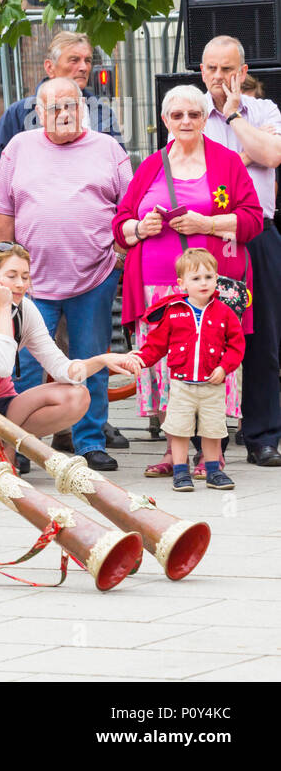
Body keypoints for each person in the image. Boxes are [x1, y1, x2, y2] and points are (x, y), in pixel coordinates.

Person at [113, 84, 263, 478]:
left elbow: (252, 219)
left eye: (193, 115)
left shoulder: (227, 162)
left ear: (204, 119)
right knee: (167, 368)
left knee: (212, 363)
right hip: (156, 288)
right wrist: (138, 226)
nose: (185, 121)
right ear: (164, 121)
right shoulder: (150, 165)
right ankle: (173, 451)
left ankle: (212, 453)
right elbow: (120, 223)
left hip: (210, 286)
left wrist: (207, 223)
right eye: (176, 115)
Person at [0, 76, 133, 471]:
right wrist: (4, 269)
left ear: (83, 109)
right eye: (54, 108)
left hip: (95, 275)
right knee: (28, 365)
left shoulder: (109, 149)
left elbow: (130, 208)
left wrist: (118, 255)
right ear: (39, 113)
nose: (64, 113)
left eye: (71, 105)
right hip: (30, 283)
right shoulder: (18, 147)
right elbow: (4, 213)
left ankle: (89, 442)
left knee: (92, 359)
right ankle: (23, 443)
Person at [0, 243, 140, 488]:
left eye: (25, 276)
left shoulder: (25, 311)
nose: (21, 284)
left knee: (78, 395)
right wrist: (2, 307)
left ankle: (4, 447)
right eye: (11, 276)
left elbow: (61, 368)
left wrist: (102, 360)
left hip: (2, 404)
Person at [198, 35, 281, 468]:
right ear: (201, 70)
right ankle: (208, 435)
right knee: (205, 336)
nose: (218, 77)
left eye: (227, 69)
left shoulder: (264, 111)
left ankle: (263, 435)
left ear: (242, 72)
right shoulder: (190, 111)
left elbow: (273, 152)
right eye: (211, 68)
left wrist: (233, 118)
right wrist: (246, 155)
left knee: (264, 338)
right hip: (208, 237)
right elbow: (198, 171)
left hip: (258, 235)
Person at [130, 248, 244, 492]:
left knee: (212, 431)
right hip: (181, 385)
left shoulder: (225, 313)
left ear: (217, 279)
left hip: (212, 385)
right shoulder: (174, 312)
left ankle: (214, 471)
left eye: (208, 277)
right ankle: (181, 473)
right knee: (179, 430)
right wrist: (140, 360)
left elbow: (236, 345)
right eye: (196, 278)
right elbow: (156, 345)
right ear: (182, 284)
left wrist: (225, 368)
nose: (203, 283)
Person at [0, 30, 122, 203]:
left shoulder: (102, 113)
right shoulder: (20, 113)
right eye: (74, 60)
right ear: (49, 67)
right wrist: (15, 217)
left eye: (88, 60)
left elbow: (120, 171)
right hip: (36, 226)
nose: (84, 67)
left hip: (94, 226)